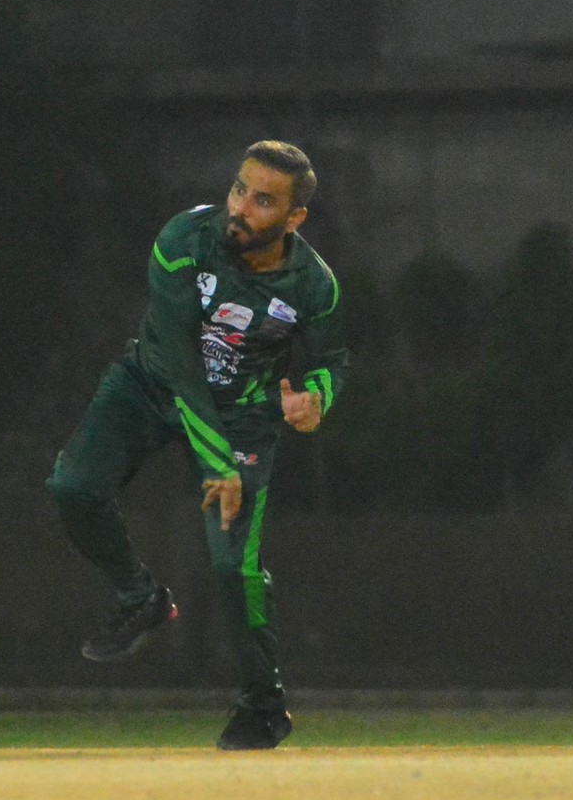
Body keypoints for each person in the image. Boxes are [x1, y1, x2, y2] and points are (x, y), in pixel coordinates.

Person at [45, 140, 350, 750]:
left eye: (263, 201)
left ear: (294, 218)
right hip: (151, 384)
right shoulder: (183, 239)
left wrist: (315, 399)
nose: (240, 207)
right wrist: (217, 465)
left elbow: (331, 361)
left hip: (243, 417)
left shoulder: (315, 285)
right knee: (73, 487)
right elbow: (183, 364)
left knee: (233, 566)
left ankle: (264, 707)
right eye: (239, 189)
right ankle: (141, 599)